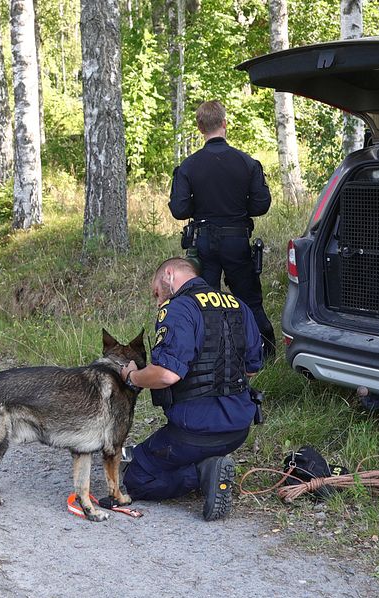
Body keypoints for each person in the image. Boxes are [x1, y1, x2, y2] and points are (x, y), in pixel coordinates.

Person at [119, 257, 262, 520]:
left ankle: (204, 472)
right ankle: (209, 464)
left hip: (194, 431)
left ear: (169, 275)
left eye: (156, 292)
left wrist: (132, 377)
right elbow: (252, 367)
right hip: (238, 429)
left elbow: (166, 374)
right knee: (159, 451)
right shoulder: (238, 305)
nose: (158, 301)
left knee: (135, 477)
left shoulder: (179, 308)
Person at [169, 100, 275, 358]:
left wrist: (200, 207)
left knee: (203, 300)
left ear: (200, 127)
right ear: (225, 124)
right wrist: (237, 210)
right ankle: (266, 352)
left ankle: (208, 355)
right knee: (249, 299)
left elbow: (179, 210)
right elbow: (262, 204)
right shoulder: (247, 162)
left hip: (204, 241)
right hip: (236, 239)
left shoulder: (189, 166)